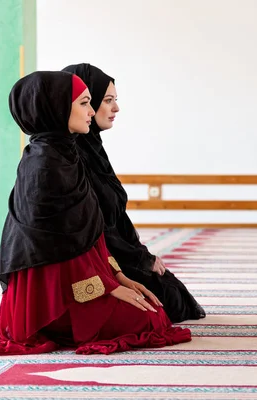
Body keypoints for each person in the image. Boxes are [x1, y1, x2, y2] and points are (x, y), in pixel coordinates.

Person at [0, 71, 191, 356]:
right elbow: (57, 248)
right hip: (50, 292)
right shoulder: (46, 164)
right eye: (84, 103)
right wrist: (108, 288)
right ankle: (54, 325)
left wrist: (118, 276)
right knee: (150, 320)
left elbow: (85, 234)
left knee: (155, 307)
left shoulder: (62, 154)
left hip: (69, 278)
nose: (92, 111)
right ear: (56, 107)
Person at [59, 63, 206, 323]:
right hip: (89, 261)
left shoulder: (92, 148)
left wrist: (142, 256)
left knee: (173, 296)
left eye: (115, 100)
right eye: (107, 100)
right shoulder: (66, 156)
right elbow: (89, 227)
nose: (115, 108)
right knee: (161, 306)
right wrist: (134, 262)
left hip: (113, 253)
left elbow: (115, 215)